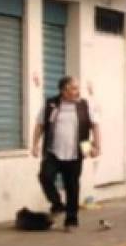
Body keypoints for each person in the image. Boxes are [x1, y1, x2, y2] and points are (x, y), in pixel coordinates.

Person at [31, 77, 101, 230]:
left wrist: (96, 146)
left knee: (72, 186)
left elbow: (95, 125)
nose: (78, 91)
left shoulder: (85, 104)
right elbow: (40, 125)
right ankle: (56, 204)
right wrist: (35, 144)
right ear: (64, 90)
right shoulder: (51, 104)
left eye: (77, 88)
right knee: (45, 176)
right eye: (74, 88)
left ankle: (71, 219)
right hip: (53, 151)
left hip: (77, 151)